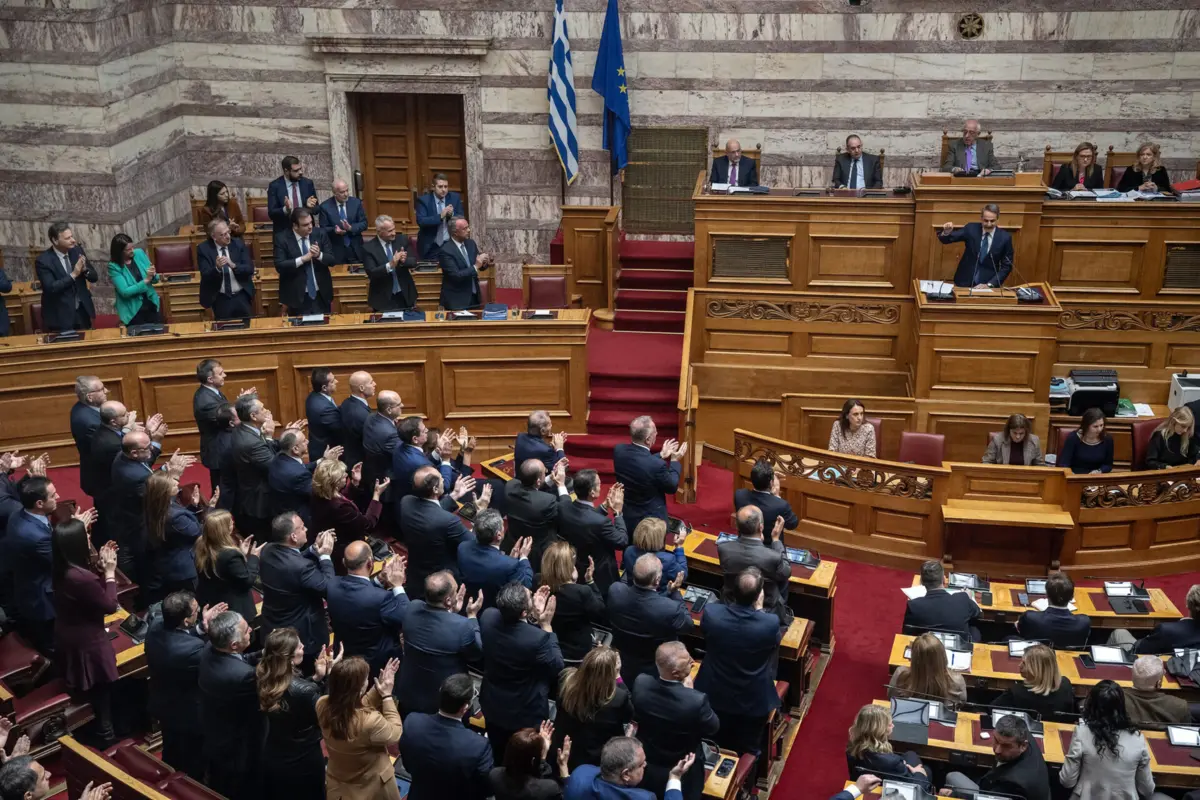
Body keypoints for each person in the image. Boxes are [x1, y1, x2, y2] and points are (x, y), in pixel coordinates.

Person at [695, 568, 784, 776]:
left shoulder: (712, 613)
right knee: (749, 748)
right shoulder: (768, 623)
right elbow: (772, 644)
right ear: (759, 595)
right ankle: (746, 787)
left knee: (712, 741)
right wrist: (759, 609)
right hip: (751, 700)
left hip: (713, 692)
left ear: (733, 592)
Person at [479, 583, 565, 761]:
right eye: (530, 596)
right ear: (524, 613)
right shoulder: (539, 638)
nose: (534, 595)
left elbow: (519, 632)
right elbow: (557, 664)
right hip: (524, 711)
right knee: (523, 757)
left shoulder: (487, 616)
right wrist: (546, 625)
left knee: (497, 752)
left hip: (492, 703)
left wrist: (532, 616)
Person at [52, 520, 119, 745]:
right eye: (86, 537)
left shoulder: (62, 567)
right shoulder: (81, 578)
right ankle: (106, 740)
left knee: (89, 691)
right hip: (88, 642)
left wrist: (98, 568)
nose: (89, 540)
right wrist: (110, 573)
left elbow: (87, 593)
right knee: (102, 697)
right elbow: (109, 605)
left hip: (67, 632)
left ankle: (94, 731)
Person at [146, 591, 220, 779]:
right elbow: (213, 657)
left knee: (171, 749)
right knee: (194, 761)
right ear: (186, 620)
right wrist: (210, 630)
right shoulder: (191, 650)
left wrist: (201, 627)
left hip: (162, 703)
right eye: (196, 610)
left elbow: (179, 636)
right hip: (188, 712)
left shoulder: (155, 625)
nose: (199, 611)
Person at [632, 641, 717, 800]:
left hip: (648, 762)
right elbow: (713, 727)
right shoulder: (695, 700)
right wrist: (689, 693)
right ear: (677, 673)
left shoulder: (641, 683)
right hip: (683, 768)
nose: (692, 661)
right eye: (688, 661)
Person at [256, 627, 334, 800]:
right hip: (303, 759)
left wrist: (316, 679)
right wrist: (329, 677)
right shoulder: (304, 691)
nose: (304, 647)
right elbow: (325, 717)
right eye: (299, 647)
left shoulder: (263, 674)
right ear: (289, 657)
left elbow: (292, 694)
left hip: (275, 752)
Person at [396, 571, 484, 716]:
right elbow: (475, 655)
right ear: (448, 601)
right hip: (442, 700)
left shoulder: (412, 608)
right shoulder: (463, 626)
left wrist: (450, 614)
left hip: (410, 691)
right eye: (455, 591)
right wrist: (472, 617)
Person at [318, 656, 404, 800]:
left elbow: (353, 707)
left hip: (339, 782)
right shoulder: (370, 722)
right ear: (359, 688)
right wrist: (387, 696)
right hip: (370, 786)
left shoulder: (322, 704)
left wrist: (377, 689)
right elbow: (395, 733)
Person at [198, 610, 264, 800]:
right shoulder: (243, 676)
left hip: (215, 732)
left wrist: (263, 654)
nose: (251, 629)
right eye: (246, 631)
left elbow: (239, 660)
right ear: (234, 644)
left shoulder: (210, 647)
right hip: (238, 746)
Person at [1059, 681, 1162, 800]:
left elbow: (1067, 781)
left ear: (1091, 705)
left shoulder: (1082, 733)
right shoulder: (1138, 739)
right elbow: (1147, 789)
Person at [258, 512, 336, 668]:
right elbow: (329, 587)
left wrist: (313, 550)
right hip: (301, 636)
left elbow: (293, 560)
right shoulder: (301, 568)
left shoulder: (268, 550)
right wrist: (325, 556)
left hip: (273, 623)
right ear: (293, 536)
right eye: (302, 528)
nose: (306, 529)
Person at [399, 673, 493, 800]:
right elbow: (486, 788)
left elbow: (408, 764)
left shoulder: (412, 722)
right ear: (465, 707)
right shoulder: (479, 746)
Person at [607, 554, 693, 685]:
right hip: (654, 670)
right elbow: (688, 625)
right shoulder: (669, 608)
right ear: (657, 580)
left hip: (624, 661)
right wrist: (675, 592)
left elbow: (648, 604)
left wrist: (667, 594)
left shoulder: (616, 591)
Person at [6, 478, 69, 653]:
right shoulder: (35, 536)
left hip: (26, 585)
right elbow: (62, 562)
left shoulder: (20, 513)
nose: (58, 496)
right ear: (39, 503)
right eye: (53, 495)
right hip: (42, 599)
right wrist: (77, 531)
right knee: (51, 644)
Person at [401, 465, 483, 598]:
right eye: (441, 478)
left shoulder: (406, 503)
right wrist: (480, 515)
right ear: (434, 489)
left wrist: (454, 495)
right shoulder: (448, 521)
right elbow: (474, 542)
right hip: (442, 579)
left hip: (415, 573)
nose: (444, 480)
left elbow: (430, 510)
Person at [327, 541, 408, 674]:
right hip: (375, 662)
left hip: (344, 654)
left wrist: (379, 580)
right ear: (370, 563)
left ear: (344, 562)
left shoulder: (332, 585)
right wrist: (398, 585)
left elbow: (359, 593)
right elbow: (406, 616)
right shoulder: (382, 598)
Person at [553, 646, 632, 771]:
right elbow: (628, 716)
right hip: (593, 757)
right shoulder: (618, 697)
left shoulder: (566, 679)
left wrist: (599, 655)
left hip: (563, 747)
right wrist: (617, 676)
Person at [942, 714, 1050, 800]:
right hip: (997, 782)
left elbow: (986, 798)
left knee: (952, 777)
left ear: (1023, 746)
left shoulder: (1014, 784)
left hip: (998, 792)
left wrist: (955, 794)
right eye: (996, 740)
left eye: (1006, 746)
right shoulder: (1024, 735)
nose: (997, 750)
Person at [230, 393, 292, 536]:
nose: (266, 411)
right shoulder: (251, 442)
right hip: (259, 500)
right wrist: (287, 443)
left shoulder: (243, 429)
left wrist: (278, 437)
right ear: (253, 416)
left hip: (247, 490)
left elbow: (264, 446)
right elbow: (275, 467)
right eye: (263, 409)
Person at [718, 507, 792, 626]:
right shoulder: (773, 557)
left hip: (730, 604)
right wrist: (776, 540)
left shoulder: (723, 549)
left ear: (737, 527)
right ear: (761, 527)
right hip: (766, 609)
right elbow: (786, 572)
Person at [143, 472, 209, 604]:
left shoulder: (157, 506)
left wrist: (193, 506)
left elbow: (182, 525)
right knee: (192, 603)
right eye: (171, 482)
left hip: (168, 562)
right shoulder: (174, 516)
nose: (176, 482)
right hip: (184, 569)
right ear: (164, 491)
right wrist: (210, 508)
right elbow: (199, 531)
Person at [613, 416, 685, 537]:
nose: (657, 433)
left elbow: (641, 463)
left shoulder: (619, 450)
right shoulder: (656, 465)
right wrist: (675, 461)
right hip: (650, 525)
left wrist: (661, 455)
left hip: (628, 517)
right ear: (648, 439)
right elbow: (672, 486)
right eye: (655, 432)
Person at [558, 469, 627, 594]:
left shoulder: (564, 507)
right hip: (598, 575)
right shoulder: (601, 522)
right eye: (599, 484)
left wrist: (605, 506)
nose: (601, 486)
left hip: (574, 565)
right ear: (592, 492)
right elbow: (621, 541)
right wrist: (618, 513)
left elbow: (585, 518)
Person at [312, 459, 387, 572]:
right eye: (343, 476)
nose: (346, 475)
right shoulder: (341, 508)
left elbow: (339, 496)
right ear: (335, 483)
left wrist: (354, 483)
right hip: (344, 549)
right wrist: (376, 495)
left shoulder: (319, 492)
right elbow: (367, 524)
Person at [563, 737, 691, 800]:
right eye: (641, 764)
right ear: (625, 774)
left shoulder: (579, 774)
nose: (645, 765)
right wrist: (675, 777)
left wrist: (621, 749)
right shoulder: (644, 798)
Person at [541, 541, 606, 662]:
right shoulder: (582, 592)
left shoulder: (539, 584)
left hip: (550, 643)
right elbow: (600, 612)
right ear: (568, 568)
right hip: (578, 651)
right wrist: (590, 581)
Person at [194, 509, 263, 622]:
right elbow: (247, 581)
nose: (233, 524)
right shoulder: (230, 555)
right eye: (230, 522)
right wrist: (254, 557)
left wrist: (241, 555)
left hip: (212, 602)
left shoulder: (201, 545)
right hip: (233, 609)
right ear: (224, 529)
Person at [844, 705, 931, 792]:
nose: (893, 725)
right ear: (880, 730)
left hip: (867, 781)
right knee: (926, 770)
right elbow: (917, 788)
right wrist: (919, 772)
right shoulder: (892, 762)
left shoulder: (852, 747)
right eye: (890, 724)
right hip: (889, 790)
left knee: (910, 754)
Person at [459, 509, 533, 609]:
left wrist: (507, 560)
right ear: (498, 535)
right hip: (492, 611)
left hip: (466, 603)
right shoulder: (510, 565)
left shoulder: (462, 547)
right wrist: (523, 557)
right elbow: (524, 586)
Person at [34, 221, 97, 332]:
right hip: (60, 317)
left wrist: (85, 270)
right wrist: (74, 274)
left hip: (82, 313)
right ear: (55, 240)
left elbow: (94, 277)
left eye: (72, 236)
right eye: (68, 238)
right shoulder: (43, 261)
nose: (73, 240)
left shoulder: (77, 251)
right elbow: (51, 287)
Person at [274, 207, 336, 316]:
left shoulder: (320, 233)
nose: (310, 227)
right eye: (305, 225)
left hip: (320, 294)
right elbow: (280, 265)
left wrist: (319, 255)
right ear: (295, 226)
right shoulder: (282, 238)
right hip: (296, 296)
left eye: (311, 223)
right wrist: (303, 259)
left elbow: (332, 260)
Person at [937, 203, 1014, 289]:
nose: (989, 224)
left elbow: (1007, 266)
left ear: (998, 220)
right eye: (986, 220)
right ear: (981, 219)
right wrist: (946, 232)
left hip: (988, 284)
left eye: (992, 221)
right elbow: (946, 239)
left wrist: (990, 284)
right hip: (963, 282)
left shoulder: (1005, 238)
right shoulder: (971, 229)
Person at [193, 359, 242, 490]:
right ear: (210, 379)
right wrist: (241, 405)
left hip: (222, 449)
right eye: (221, 373)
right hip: (218, 453)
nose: (224, 375)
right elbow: (225, 419)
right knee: (222, 492)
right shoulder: (205, 400)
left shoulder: (212, 392)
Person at [903, 559, 981, 641]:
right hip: (958, 647)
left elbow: (907, 631)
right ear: (944, 580)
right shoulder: (962, 599)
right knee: (975, 630)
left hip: (927, 647)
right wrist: (968, 598)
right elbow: (978, 614)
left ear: (922, 582)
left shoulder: (913, 605)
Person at [993, 644, 1077, 719]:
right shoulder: (1066, 684)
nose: (1019, 665)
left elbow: (991, 711)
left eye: (1024, 664)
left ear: (1036, 670)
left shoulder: (1016, 692)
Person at [507, 459, 562, 573]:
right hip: (538, 551)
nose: (547, 471)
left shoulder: (510, 486)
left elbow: (530, 490)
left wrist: (548, 479)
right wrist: (561, 484)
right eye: (544, 472)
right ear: (537, 481)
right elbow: (565, 510)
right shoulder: (547, 501)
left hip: (513, 541)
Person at [1112, 584, 1200, 654]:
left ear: (1187, 605)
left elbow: (1140, 649)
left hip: (1149, 665)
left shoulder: (1166, 630)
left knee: (1119, 632)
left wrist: (1146, 638)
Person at [489, 723, 570, 800]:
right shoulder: (550, 788)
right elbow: (568, 795)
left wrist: (542, 754)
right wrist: (563, 767)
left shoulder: (495, 775)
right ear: (533, 761)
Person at [888, 632, 967, 707]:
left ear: (913, 657)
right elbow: (962, 703)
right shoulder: (957, 680)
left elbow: (890, 697)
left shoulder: (901, 675)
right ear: (943, 655)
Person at [197, 219, 256, 320]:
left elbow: (249, 268)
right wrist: (217, 268)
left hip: (241, 296)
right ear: (214, 237)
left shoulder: (238, 244)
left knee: (246, 330)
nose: (228, 236)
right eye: (223, 235)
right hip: (221, 298)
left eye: (228, 232)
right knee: (224, 330)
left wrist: (233, 265)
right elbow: (205, 275)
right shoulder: (204, 249)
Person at [1016, 571, 1091, 648]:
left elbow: (1021, 631)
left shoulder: (1030, 617)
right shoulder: (1083, 622)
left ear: (1047, 594)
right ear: (1072, 597)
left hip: (1038, 657)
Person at [267, 429, 324, 526]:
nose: (308, 441)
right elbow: (318, 493)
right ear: (295, 449)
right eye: (304, 441)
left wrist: (321, 460)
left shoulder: (279, 457)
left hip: (281, 511)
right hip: (300, 519)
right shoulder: (299, 475)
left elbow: (299, 467)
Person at [362, 215, 418, 311]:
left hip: (405, 295)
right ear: (379, 232)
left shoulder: (402, 240)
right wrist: (390, 265)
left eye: (393, 229)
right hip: (382, 298)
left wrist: (404, 261)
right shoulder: (368, 248)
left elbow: (413, 261)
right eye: (389, 231)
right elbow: (372, 272)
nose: (394, 233)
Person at [734, 459, 798, 543]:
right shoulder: (781, 505)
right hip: (770, 550)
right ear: (771, 483)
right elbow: (792, 524)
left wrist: (763, 476)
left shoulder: (739, 495)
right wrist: (776, 496)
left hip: (743, 544)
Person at [621, 517, 686, 596]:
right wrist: (678, 547)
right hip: (658, 596)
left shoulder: (629, 551)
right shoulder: (667, 559)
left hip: (633, 592)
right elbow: (683, 575)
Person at [106, 232, 160, 327]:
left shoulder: (139, 253)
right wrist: (146, 281)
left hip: (151, 303)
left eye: (132, 247)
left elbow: (155, 279)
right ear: (120, 252)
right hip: (133, 310)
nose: (132, 250)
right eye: (128, 249)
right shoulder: (113, 266)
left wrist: (153, 274)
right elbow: (125, 292)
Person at [362, 391, 404, 510]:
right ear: (389, 410)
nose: (403, 406)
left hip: (370, 473)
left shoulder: (371, 417)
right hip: (386, 481)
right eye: (399, 404)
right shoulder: (389, 433)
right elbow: (402, 455)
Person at [1123, 655, 1191, 729]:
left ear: (1132, 676)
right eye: (1163, 672)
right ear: (1158, 683)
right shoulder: (1180, 706)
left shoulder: (1116, 699)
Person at [438, 216, 490, 310]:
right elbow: (456, 276)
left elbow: (478, 265)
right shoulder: (445, 251)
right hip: (457, 300)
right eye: (465, 228)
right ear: (455, 233)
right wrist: (476, 266)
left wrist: (484, 263)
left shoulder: (471, 243)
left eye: (468, 227)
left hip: (474, 296)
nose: (469, 230)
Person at [415, 173, 465, 260]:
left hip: (450, 244)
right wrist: (440, 216)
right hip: (431, 246)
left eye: (446, 187)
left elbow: (461, 218)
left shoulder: (454, 198)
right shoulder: (424, 201)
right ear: (433, 187)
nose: (444, 190)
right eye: (440, 187)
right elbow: (421, 221)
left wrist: (452, 215)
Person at [318, 179, 367, 265]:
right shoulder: (325, 207)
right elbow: (323, 229)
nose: (346, 194)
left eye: (347, 190)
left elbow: (364, 223)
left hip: (355, 249)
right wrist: (335, 231)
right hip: (337, 250)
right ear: (335, 193)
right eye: (342, 192)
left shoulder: (356, 203)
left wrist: (351, 228)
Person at [267, 155, 318, 234]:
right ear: (286, 171)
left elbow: (317, 210)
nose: (300, 172)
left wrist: (309, 207)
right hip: (285, 231)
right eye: (296, 171)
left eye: (300, 169)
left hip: (306, 230)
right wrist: (285, 210)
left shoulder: (307, 183)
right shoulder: (275, 186)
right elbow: (272, 214)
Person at [1059, 407, 1114, 475]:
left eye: (1101, 425)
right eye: (1095, 426)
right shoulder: (1073, 438)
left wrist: (1099, 471)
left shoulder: (1107, 439)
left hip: (1096, 478)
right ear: (1086, 425)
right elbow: (1064, 463)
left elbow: (1108, 465)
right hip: (1075, 476)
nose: (1099, 429)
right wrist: (1071, 475)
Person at [305, 367, 344, 461]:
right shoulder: (324, 408)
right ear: (324, 387)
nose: (337, 381)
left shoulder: (313, 396)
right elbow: (340, 430)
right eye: (333, 381)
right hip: (325, 455)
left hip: (317, 446)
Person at [340, 371, 376, 471]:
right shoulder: (360, 414)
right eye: (371, 382)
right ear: (361, 388)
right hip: (360, 463)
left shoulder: (347, 402)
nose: (374, 384)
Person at [70, 375, 107, 462]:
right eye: (101, 389)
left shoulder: (80, 406)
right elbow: (109, 446)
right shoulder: (90, 423)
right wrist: (126, 428)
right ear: (89, 397)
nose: (106, 391)